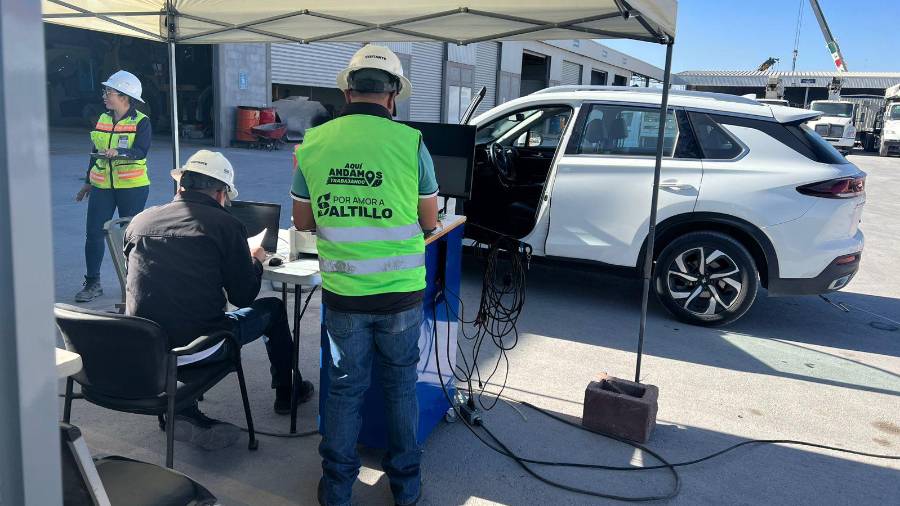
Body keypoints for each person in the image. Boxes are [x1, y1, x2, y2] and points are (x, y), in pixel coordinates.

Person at [291, 44, 439, 506]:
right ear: (393, 95)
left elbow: (302, 222)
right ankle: (406, 488)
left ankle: (337, 490)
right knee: (399, 388)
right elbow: (430, 220)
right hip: (400, 296)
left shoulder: (312, 144)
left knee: (343, 390)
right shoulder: (411, 143)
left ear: (348, 90)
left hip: (345, 295)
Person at [124, 150, 314, 450]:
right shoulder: (226, 225)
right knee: (274, 308)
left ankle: (182, 407)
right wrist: (254, 260)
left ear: (180, 186)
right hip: (201, 346)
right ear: (222, 192)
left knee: (178, 312)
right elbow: (242, 296)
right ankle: (288, 392)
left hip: (145, 346)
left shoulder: (140, 221)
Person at [75, 70, 152, 302]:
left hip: (132, 187)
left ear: (125, 96)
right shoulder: (103, 119)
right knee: (94, 234)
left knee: (131, 236)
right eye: (106, 91)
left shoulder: (141, 121)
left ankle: (134, 283)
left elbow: (141, 151)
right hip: (102, 187)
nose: (105, 96)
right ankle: (92, 283)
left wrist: (119, 152)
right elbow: (95, 153)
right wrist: (88, 182)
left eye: (110, 92)